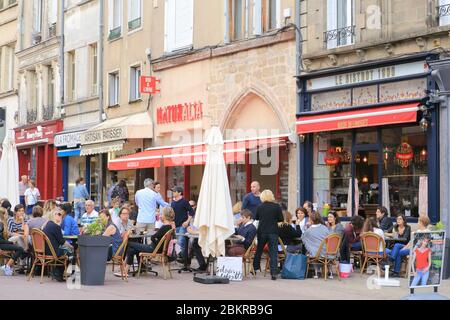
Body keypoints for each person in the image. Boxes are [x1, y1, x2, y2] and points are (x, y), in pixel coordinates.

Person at [123, 207, 175, 277]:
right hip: (159, 249)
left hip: (153, 249)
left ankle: (125, 270)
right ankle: (129, 269)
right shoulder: (170, 227)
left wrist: (155, 239)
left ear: (165, 216)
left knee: (129, 243)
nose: (160, 215)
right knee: (132, 249)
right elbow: (156, 237)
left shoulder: (164, 227)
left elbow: (153, 237)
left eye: (162, 214)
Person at [252, 190, 284, 281]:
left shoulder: (260, 207)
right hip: (273, 231)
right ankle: (273, 273)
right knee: (273, 252)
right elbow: (280, 219)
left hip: (262, 231)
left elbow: (257, 218)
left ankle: (254, 268)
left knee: (259, 250)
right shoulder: (276, 207)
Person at [41, 210, 69, 282]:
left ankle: (56, 271)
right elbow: (62, 242)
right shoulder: (56, 226)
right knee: (71, 252)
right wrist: (71, 246)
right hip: (53, 252)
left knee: (66, 250)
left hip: (45, 251)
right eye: (58, 214)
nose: (61, 216)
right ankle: (59, 273)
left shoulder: (46, 225)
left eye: (61, 215)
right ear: (53, 215)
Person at [0, 208, 26, 276]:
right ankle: (7, 266)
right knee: (20, 249)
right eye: (6, 213)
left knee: (19, 248)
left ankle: (7, 266)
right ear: (3, 215)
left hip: (3, 243)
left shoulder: (3, 223)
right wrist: (10, 243)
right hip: (1, 244)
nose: (7, 215)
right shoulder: (1, 224)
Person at [171, 186, 194, 259]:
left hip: (183, 225)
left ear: (179, 193)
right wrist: (172, 224)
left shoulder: (184, 201)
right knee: (181, 243)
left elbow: (192, 212)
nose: (173, 193)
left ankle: (183, 257)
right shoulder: (173, 203)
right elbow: (172, 215)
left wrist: (187, 221)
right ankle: (185, 259)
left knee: (180, 241)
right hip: (175, 225)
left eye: (174, 191)